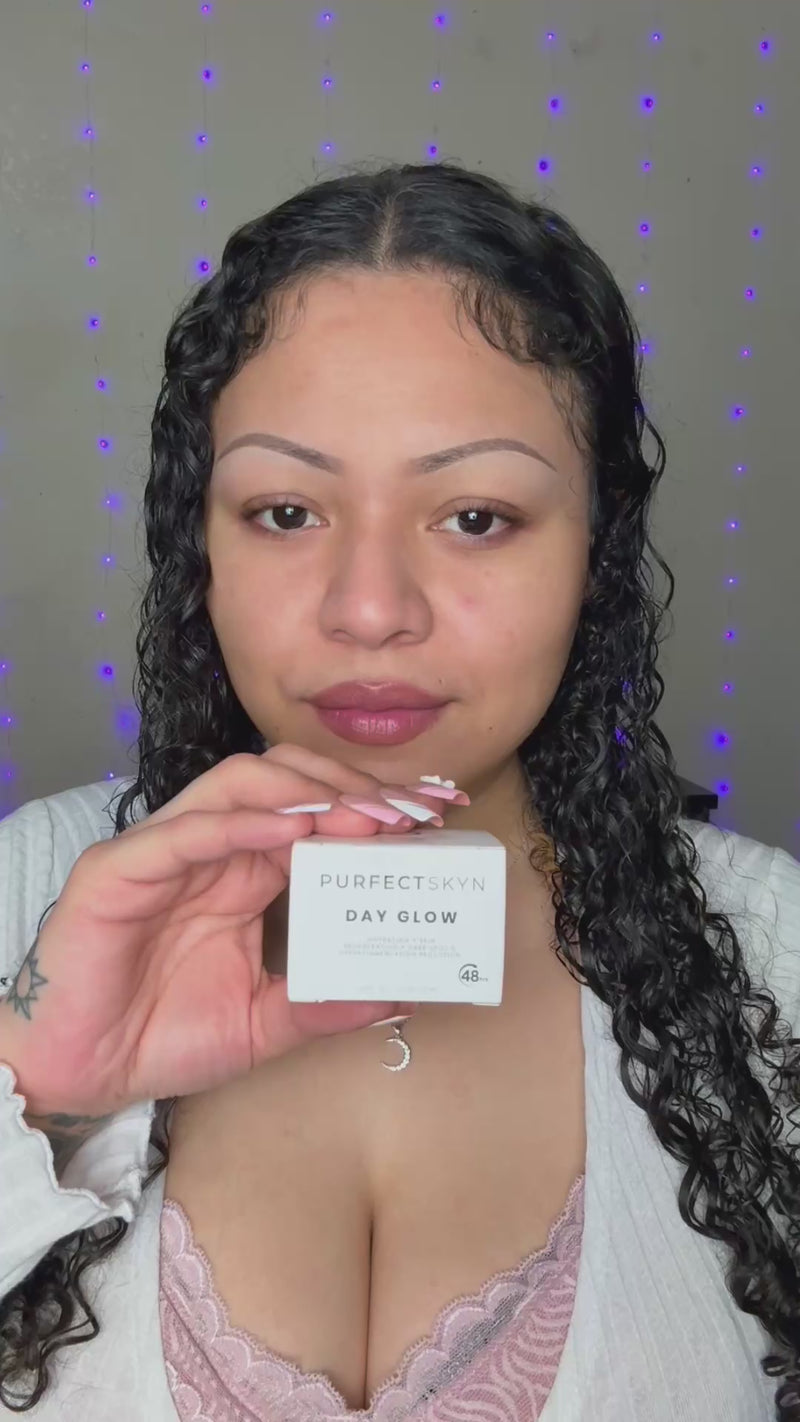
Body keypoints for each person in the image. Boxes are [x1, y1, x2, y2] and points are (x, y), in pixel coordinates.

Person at [0, 159, 798, 1422]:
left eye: (474, 516)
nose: (370, 610)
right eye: (283, 511)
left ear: (593, 545)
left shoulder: (775, 952)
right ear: (198, 540)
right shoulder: (27, 893)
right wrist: (40, 1090)